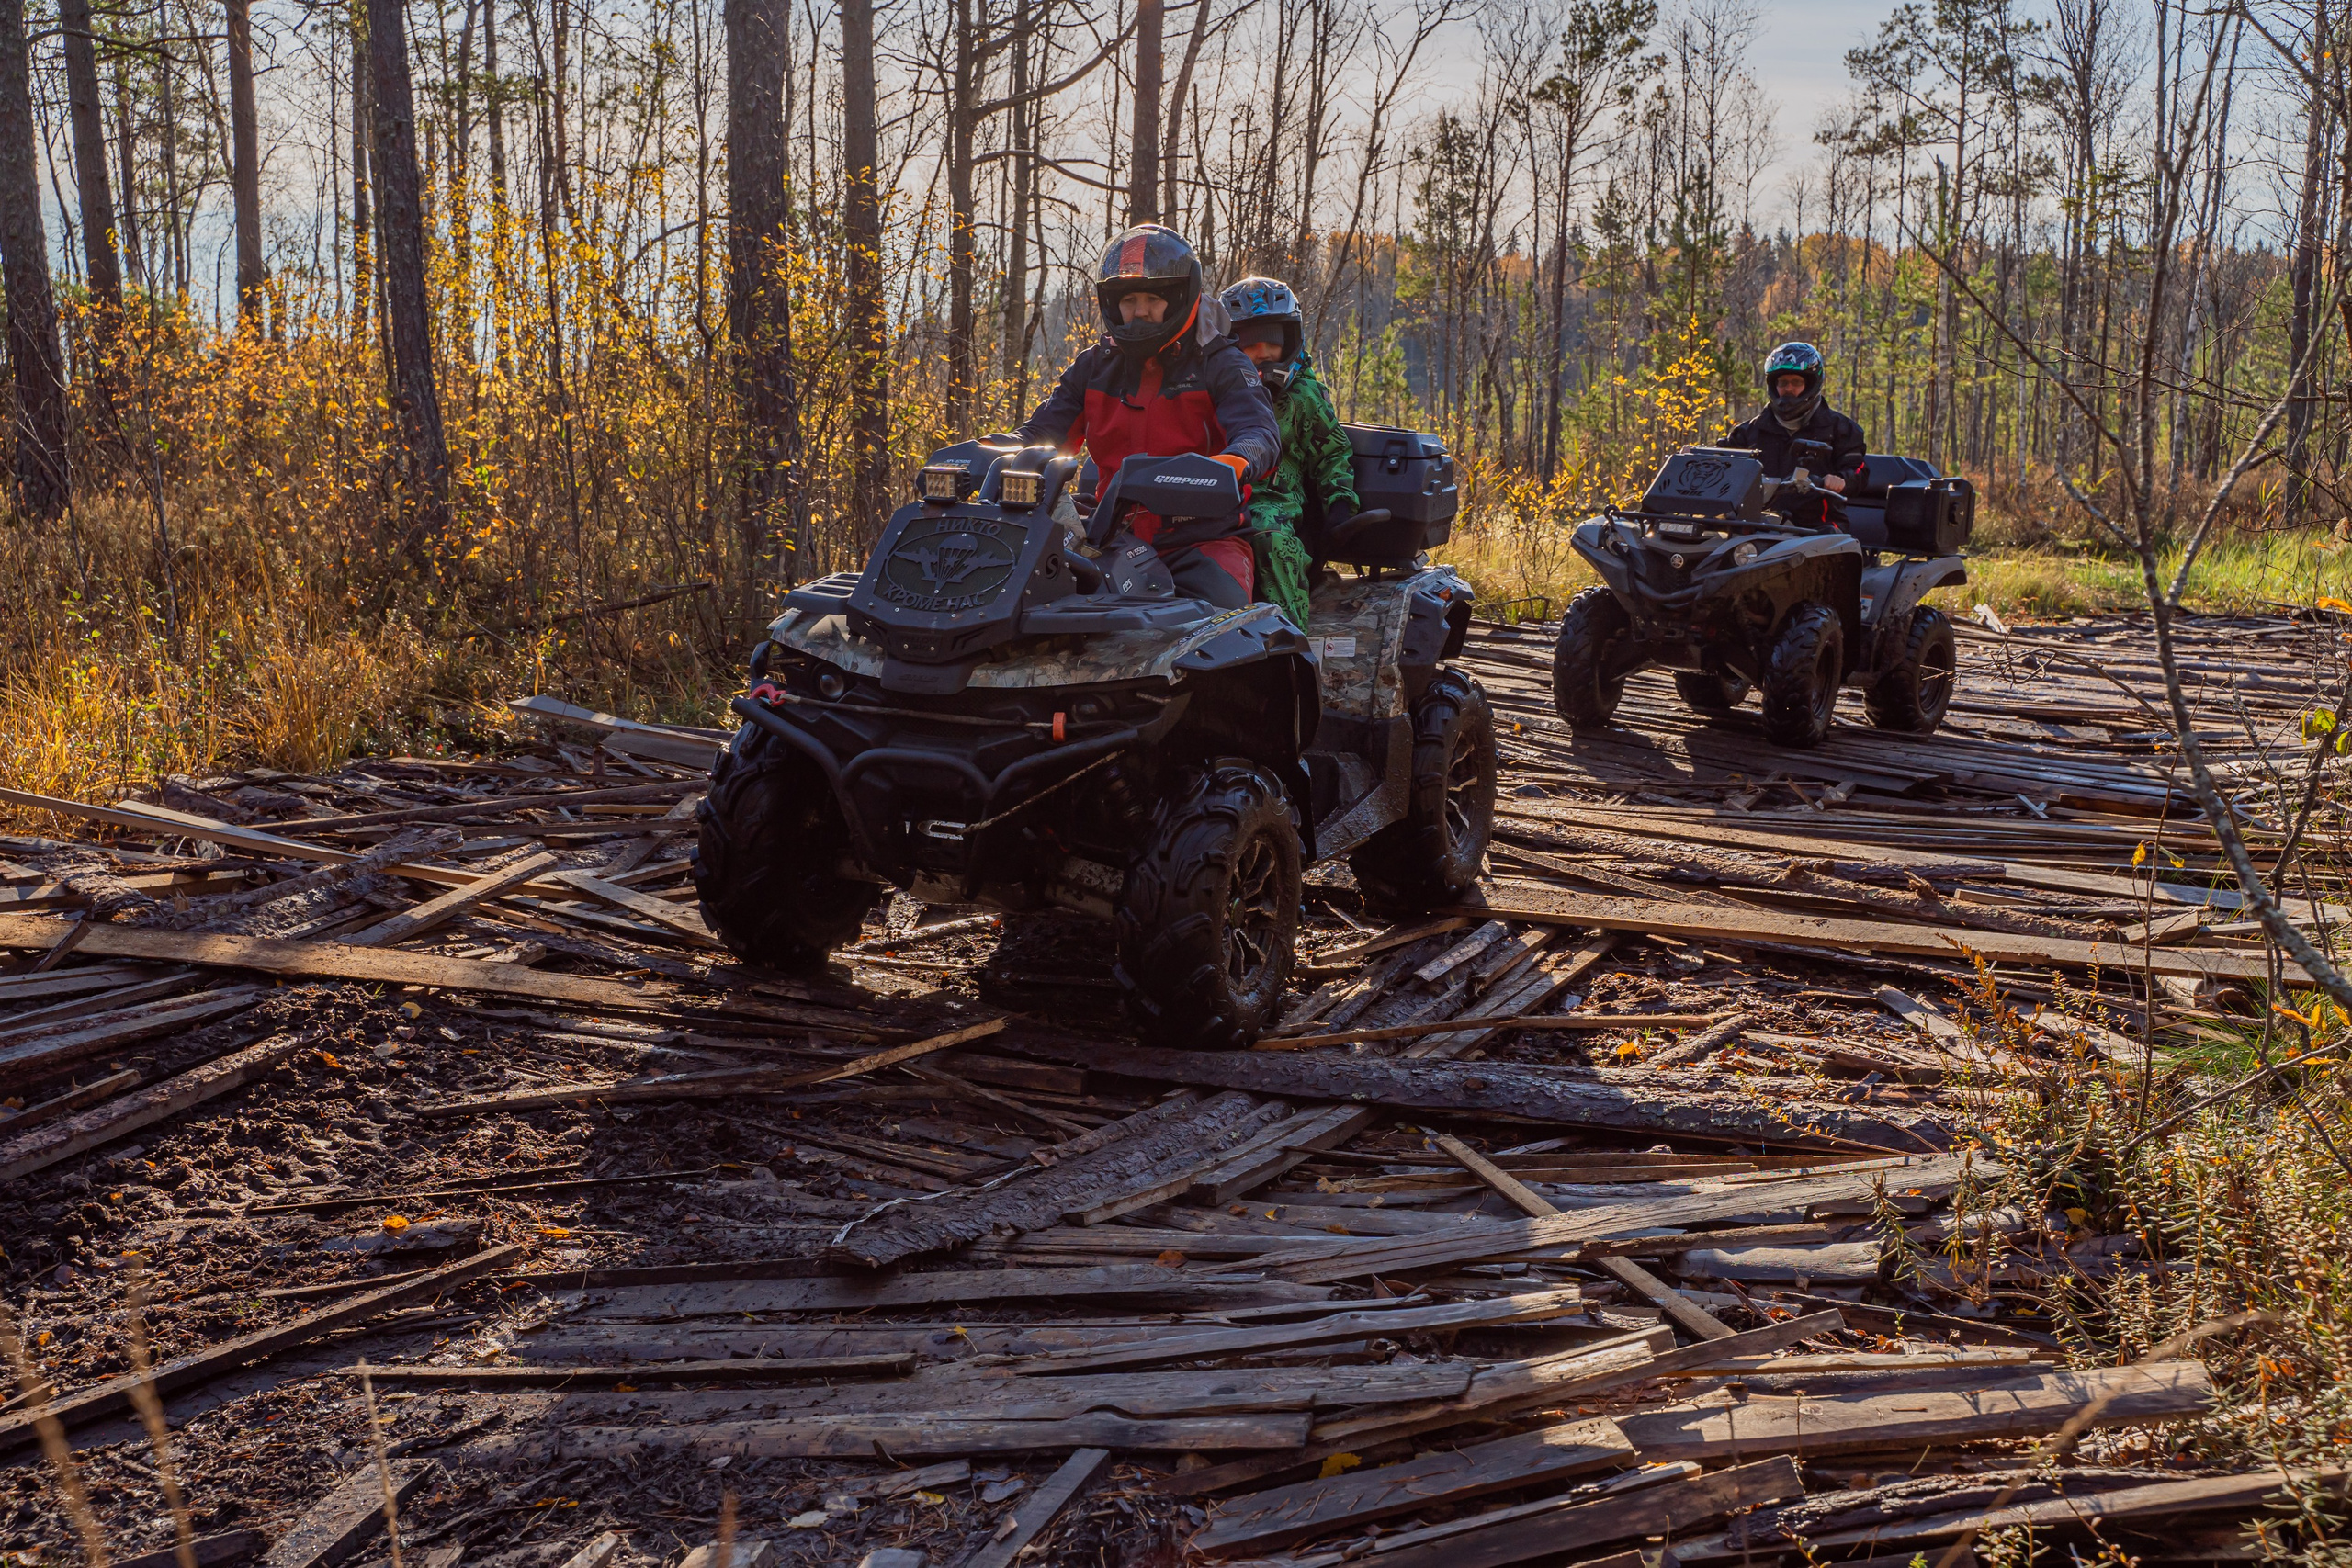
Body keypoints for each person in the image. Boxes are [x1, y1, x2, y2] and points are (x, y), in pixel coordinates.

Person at [1015, 224, 1280, 609]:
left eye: (1153, 298)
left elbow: (1260, 433)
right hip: (1108, 540)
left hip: (1200, 543)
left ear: (1178, 298)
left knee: (1225, 627)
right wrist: (998, 450)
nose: (1140, 311)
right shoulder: (1094, 366)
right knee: (1029, 608)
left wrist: (1229, 464)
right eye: (1129, 299)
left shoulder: (1221, 362)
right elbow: (1043, 434)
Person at [1218, 276, 1361, 629]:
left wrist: (1341, 505)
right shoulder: (1214, 392)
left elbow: (1333, 456)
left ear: (1291, 340)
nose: (1263, 351)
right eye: (1250, 343)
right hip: (1214, 498)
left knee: (1268, 539)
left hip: (1275, 504)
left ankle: (1289, 643)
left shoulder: (1304, 397)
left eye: (1273, 341)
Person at [1724, 343, 1868, 525]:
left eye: (1796, 382)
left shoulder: (1841, 428)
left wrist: (1839, 480)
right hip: (1755, 523)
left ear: (1811, 384)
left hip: (1818, 527)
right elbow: (1721, 462)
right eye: (1783, 383)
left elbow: (1858, 471)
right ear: (1773, 385)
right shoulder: (1748, 432)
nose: (1788, 389)